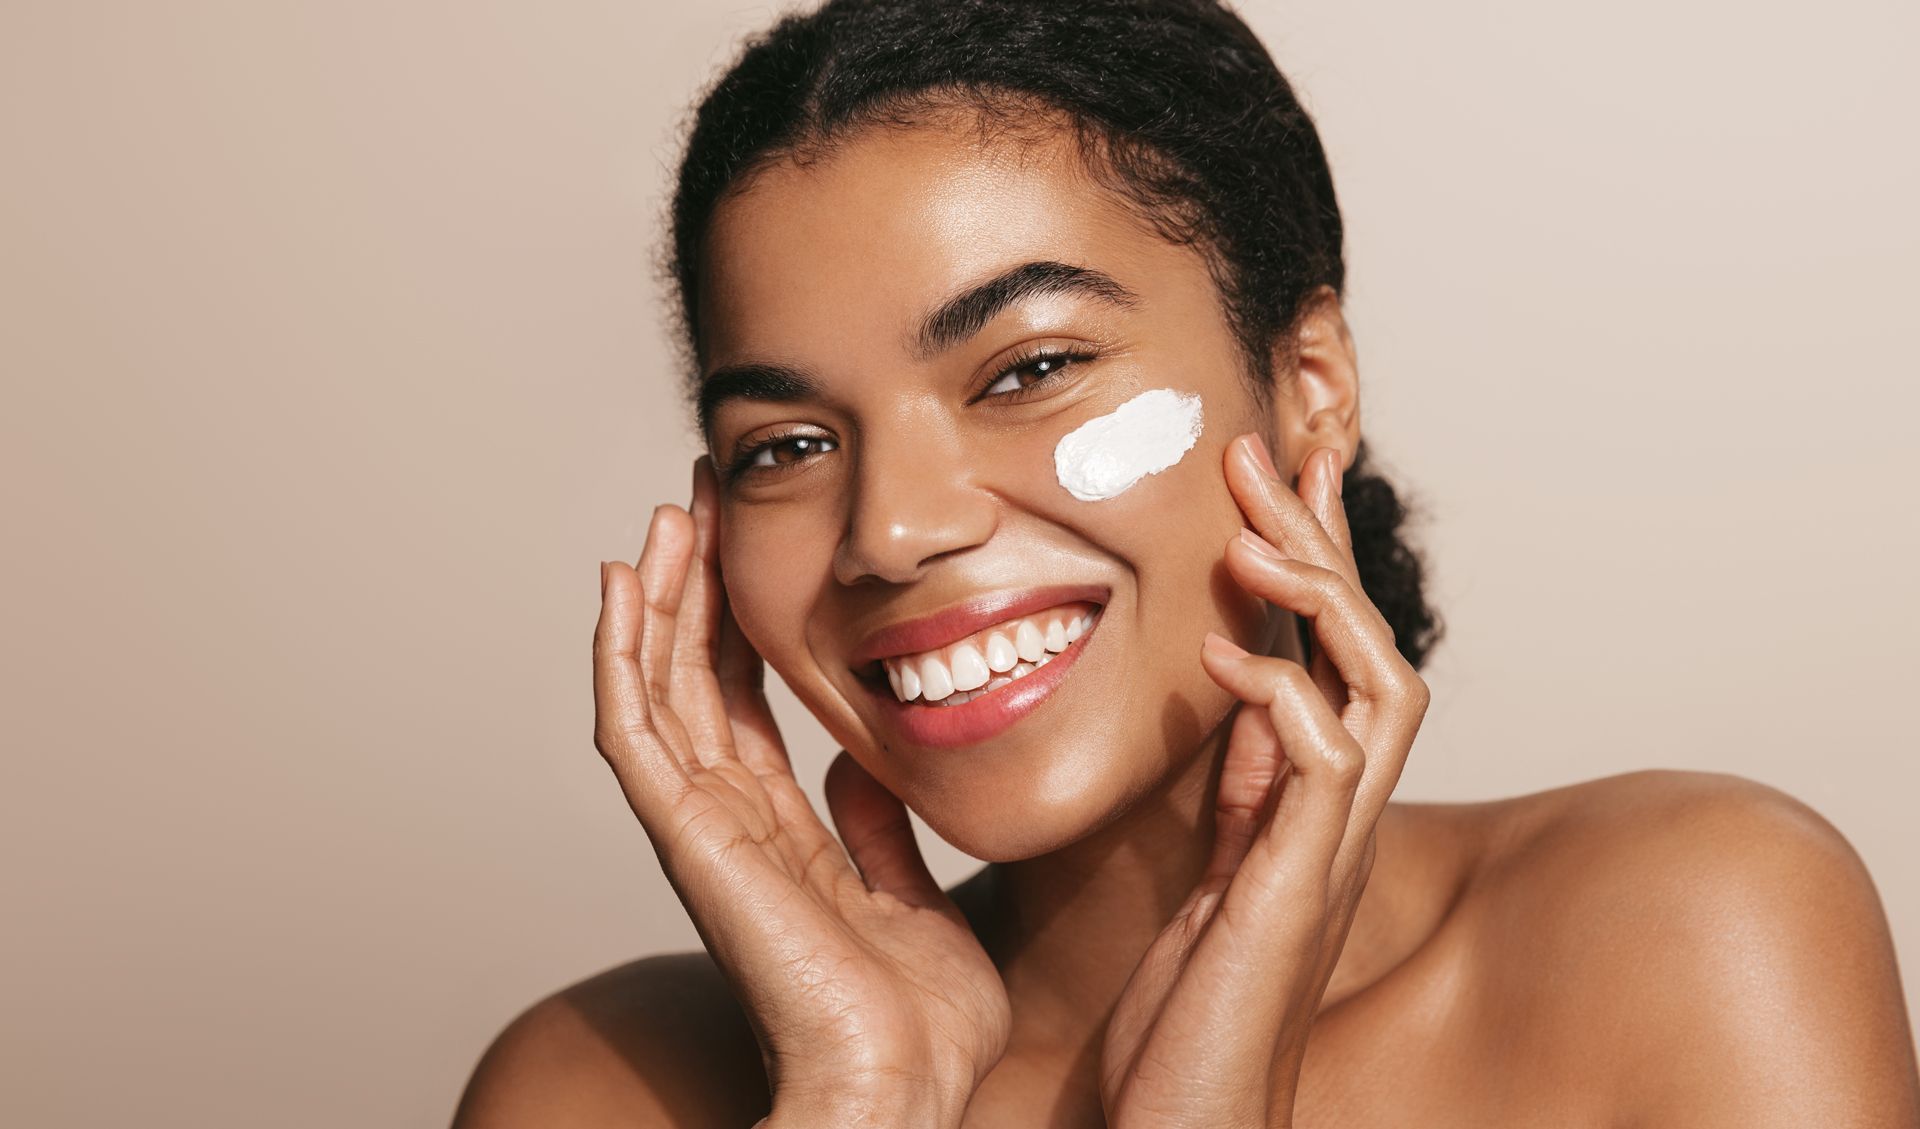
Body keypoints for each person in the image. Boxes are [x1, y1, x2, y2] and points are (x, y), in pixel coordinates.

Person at [452, 1, 1920, 1124]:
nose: (892, 529)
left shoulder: (1688, 937)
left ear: (1310, 381)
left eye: (1029, 367)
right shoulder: (604, 1088)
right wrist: (860, 1097)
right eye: (786, 445)